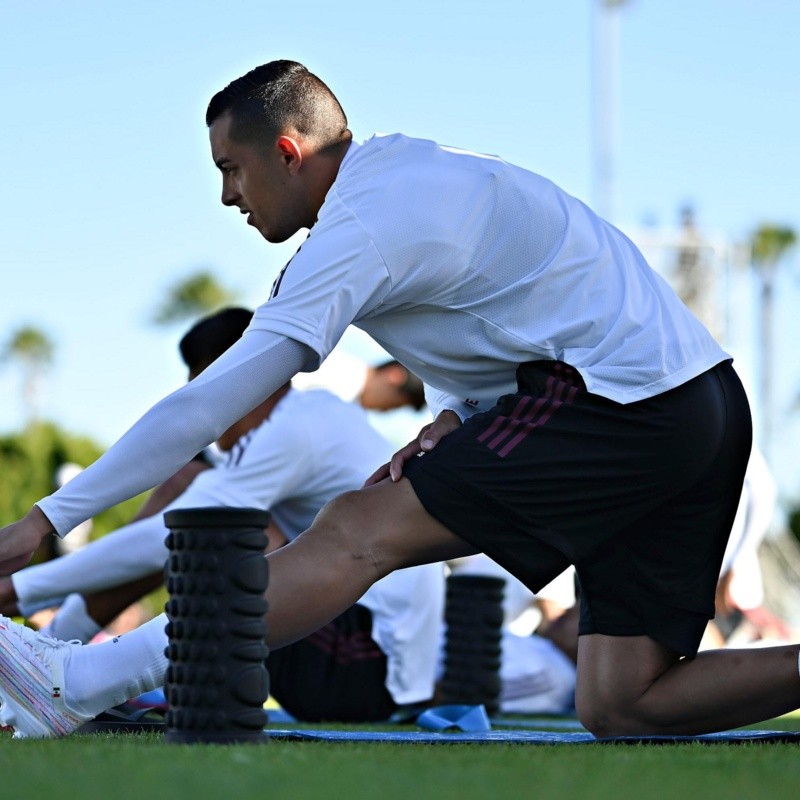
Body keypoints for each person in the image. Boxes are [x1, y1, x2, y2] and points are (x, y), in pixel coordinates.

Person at [1, 59, 798, 739]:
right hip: (700, 403)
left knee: (354, 528)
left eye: (229, 170)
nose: (226, 197)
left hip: (625, 401)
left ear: (287, 152)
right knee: (623, 702)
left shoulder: (363, 223)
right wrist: (453, 414)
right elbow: (495, 312)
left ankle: (80, 683)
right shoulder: (403, 180)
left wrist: (47, 520)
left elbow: (210, 401)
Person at [0, 307, 444, 723]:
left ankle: (55, 671)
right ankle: (49, 654)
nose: (211, 429)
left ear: (242, 383)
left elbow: (168, 535)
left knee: (204, 532)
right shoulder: (310, 414)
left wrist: (20, 589)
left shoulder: (296, 429)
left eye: (213, 398)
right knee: (191, 500)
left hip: (359, 671)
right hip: (366, 660)